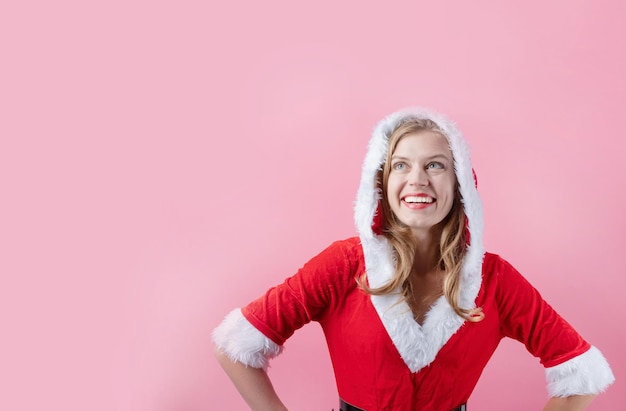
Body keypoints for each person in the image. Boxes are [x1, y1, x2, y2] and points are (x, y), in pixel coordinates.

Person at [212, 108, 615, 411]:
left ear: (460, 186)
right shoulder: (342, 265)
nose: (417, 180)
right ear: (381, 183)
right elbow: (235, 346)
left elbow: (582, 373)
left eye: (435, 165)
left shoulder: (494, 279)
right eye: (401, 165)